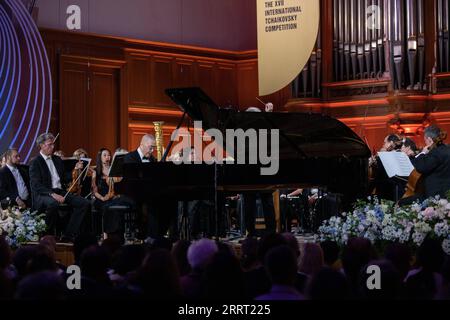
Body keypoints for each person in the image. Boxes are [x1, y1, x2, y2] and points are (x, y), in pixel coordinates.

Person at [29, 133, 90, 242]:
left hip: (60, 191)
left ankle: (68, 235)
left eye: (53, 144)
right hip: (44, 193)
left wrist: (75, 169)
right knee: (53, 204)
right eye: (49, 144)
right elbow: (36, 185)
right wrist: (52, 194)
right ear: (41, 145)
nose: (53, 147)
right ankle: (46, 235)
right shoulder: (35, 162)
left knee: (84, 203)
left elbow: (64, 178)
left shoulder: (57, 159)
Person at [124, 134, 177, 241]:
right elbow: (132, 180)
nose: (152, 150)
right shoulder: (129, 157)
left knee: (170, 202)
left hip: (149, 193)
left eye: (154, 148)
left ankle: (162, 235)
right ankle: (149, 235)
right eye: (150, 147)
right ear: (142, 144)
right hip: (133, 194)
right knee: (152, 204)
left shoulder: (152, 159)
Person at [92, 148, 134, 239]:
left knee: (117, 206)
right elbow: (94, 190)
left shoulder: (114, 170)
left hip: (113, 196)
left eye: (109, 155)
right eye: (105, 155)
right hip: (101, 198)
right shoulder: (96, 171)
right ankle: (107, 234)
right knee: (107, 207)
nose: (108, 157)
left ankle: (117, 234)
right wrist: (102, 198)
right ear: (100, 157)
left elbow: (120, 186)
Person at [411, 125, 450, 199]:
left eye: (425, 140)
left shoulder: (435, 153)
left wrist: (423, 153)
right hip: (447, 191)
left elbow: (421, 167)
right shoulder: (447, 149)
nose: (425, 142)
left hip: (436, 194)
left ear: (429, 139)